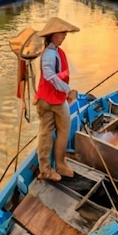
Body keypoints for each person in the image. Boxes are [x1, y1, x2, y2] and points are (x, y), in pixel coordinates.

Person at [34, 17, 80, 182]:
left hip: (56, 98)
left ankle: (60, 164)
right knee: (47, 133)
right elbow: (49, 75)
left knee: (63, 130)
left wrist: (65, 91)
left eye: (65, 33)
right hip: (48, 99)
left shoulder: (56, 52)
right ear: (52, 35)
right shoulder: (49, 54)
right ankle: (46, 170)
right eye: (62, 33)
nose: (64, 36)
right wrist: (68, 91)